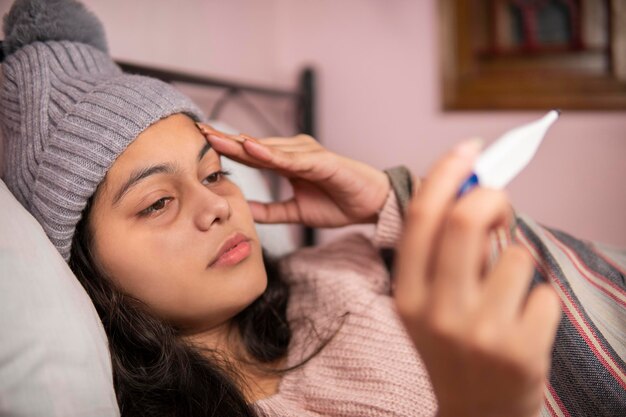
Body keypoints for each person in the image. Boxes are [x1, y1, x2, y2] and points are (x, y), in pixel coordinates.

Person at [1, 0, 623, 416]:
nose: (218, 205)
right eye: (158, 202)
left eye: (215, 172)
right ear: (82, 271)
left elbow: (556, 280)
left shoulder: (345, 273)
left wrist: (384, 194)